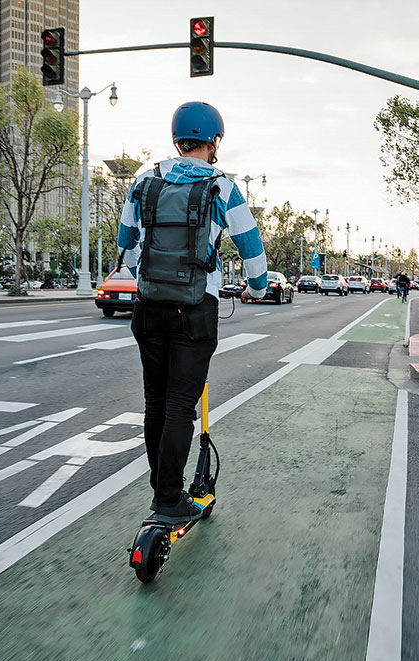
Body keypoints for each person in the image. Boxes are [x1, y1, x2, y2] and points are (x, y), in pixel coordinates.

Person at [118, 101, 267, 523]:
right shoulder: (223, 186)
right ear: (214, 141)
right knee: (182, 405)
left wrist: (150, 275)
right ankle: (168, 500)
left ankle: (163, 490)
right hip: (196, 308)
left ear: (176, 138)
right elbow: (251, 247)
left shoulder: (145, 181)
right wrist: (256, 287)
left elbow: (127, 244)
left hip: (148, 306)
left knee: (156, 401)